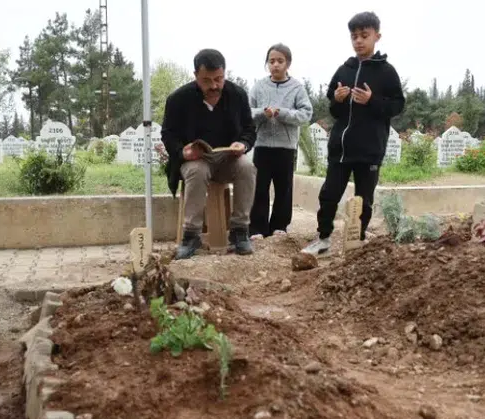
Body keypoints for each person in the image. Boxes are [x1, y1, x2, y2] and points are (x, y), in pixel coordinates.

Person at [301, 11, 405, 256]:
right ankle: (323, 239)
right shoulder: (344, 70)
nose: (358, 41)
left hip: (369, 149)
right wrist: (337, 100)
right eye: (354, 36)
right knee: (329, 194)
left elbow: (397, 105)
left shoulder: (386, 71)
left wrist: (372, 100)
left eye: (364, 35)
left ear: (377, 36)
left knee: (363, 199)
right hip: (340, 148)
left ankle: (357, 243)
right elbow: (334, 110)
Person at [162, 49, 257, 260]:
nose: (214, 86)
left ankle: (240, 231)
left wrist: (243, 144)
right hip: (196, 159)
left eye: (218, 79)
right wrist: (182, 151)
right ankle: (191, 235)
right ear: (196, 75)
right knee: (197, 171)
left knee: (247, 167)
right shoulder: (178, 99)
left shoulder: (237, 95)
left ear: (224, 74)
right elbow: (168, 133)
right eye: (207, 80)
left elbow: (249, 129)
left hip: (228, 159)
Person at [248, 43, 313, 239]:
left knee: (284, 188)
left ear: (288, 63)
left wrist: (282, 113)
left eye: (280, 61)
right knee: (259, 188)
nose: (275, 65)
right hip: (262, 146)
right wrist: (262, 113)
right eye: (271, 61)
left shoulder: (297, 88)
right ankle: (257, 228)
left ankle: (279, 226)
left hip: (286, 147)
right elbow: (246, 113)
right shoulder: (258, 87)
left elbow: (305, 114)